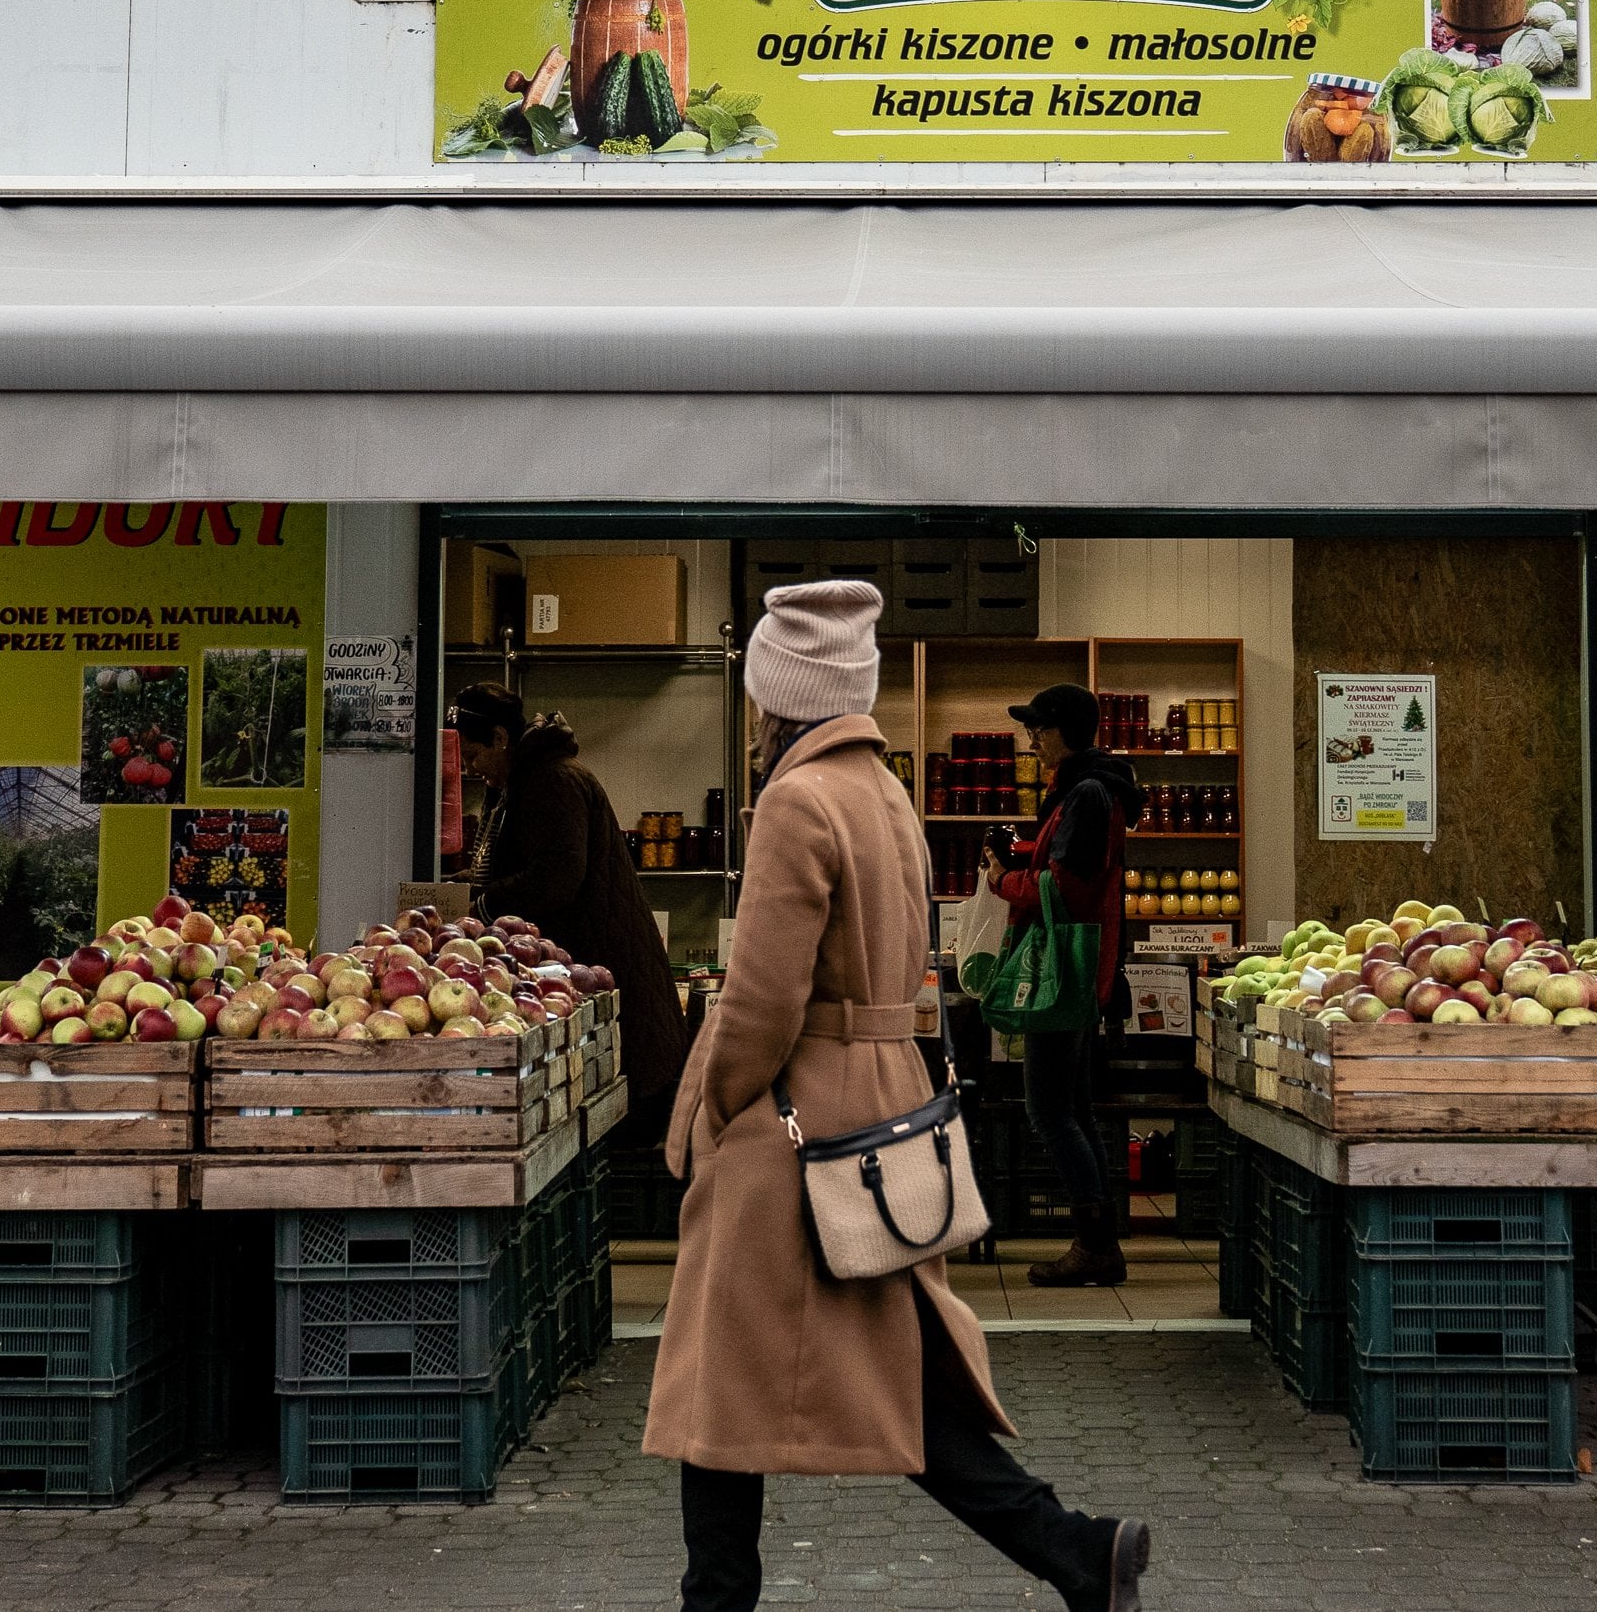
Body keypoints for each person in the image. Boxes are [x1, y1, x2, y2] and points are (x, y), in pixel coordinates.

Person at [647, 581, 1151, 1612]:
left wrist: (715, 1107)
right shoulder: (881, 792)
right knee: (891, 1370)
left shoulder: (795, 800)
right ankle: (1073, 1550)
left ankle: (718, 1596)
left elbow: (763, 997)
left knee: (721, 1373)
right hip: (879, 1102)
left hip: (790, 1122)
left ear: (779, 695)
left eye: (756, 697)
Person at [456, 681, 692, 1135]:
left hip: (610, 974)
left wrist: (482, 903)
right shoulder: (525, 781)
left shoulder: (552, 781)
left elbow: (555, 878)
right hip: (592, 971)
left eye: (473, 755)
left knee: (630, 1117)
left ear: (501, 739)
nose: (472, 768)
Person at [982, 681, 1138, 1289]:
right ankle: (1098, 1242)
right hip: (1081, 972)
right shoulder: (1083, 792)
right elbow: (1061, 867)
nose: (1032, 740)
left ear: (1067, 732)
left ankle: (1094, 1247)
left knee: (1049, 1110)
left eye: (1039, 729)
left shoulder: (1088, 795)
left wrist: (1003, 881)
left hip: (1062, 974)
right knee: (1072, 1109)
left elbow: (1064, 890)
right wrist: (1021, 855)